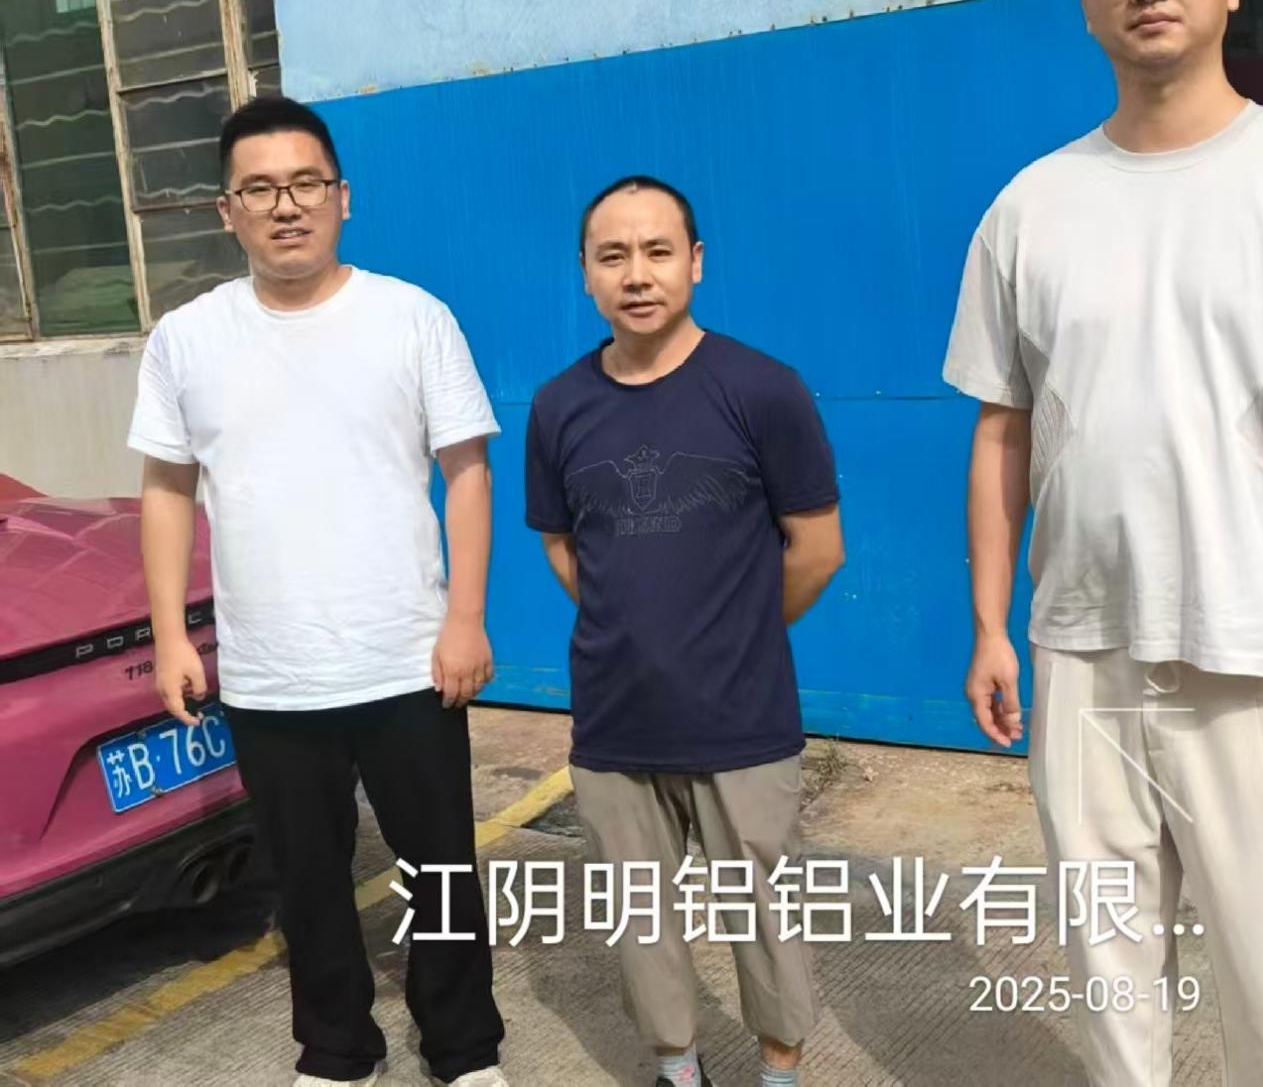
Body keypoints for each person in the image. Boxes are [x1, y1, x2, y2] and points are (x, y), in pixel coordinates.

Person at [944, 0, 1263, 1085]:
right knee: (1111, 977)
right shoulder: (1031, 208)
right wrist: (992, 626)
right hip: (1082, 651)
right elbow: (1004, 428)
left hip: (1249, 645)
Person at [129, 96, 510, 1087]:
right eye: (259, 189)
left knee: (440, 868)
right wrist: (171, 635)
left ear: (343, 197)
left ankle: (464, 1047)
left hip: (407, 657)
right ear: (228, 212)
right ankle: (338, 1049)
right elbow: (167, 490)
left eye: (305, 184)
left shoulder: (412, 318)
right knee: (305, 879)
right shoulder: (187, 338)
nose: (285, 206)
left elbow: (467, 473)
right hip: (270, 671)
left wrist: (466, 619)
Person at [525, 175, 845, 1087]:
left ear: (695, 263)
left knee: (765, 911)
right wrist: (635, 626)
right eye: (613, 256)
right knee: (639, 915)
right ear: (585, 272)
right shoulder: (558, 405)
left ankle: (778, 1071)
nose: (637, 275)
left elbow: (817, 548)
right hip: (614, 720)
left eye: (657, 251)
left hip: (741, 718)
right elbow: (562, 544)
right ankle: (676, 1067)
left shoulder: (762, 390)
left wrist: (735, 633)